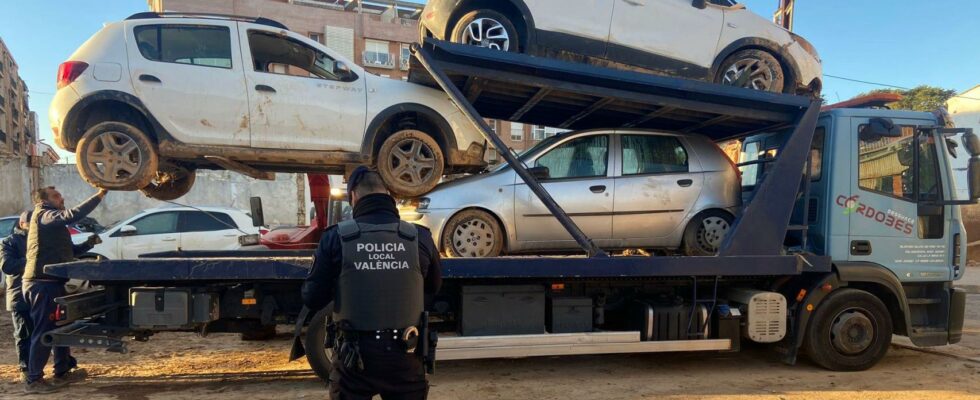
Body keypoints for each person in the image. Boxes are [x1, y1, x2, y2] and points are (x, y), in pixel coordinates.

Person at [303, 166, 442, 400]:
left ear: (353, 196)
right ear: (388, 193)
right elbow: (432, 289)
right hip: (405, 354)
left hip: (353, 359)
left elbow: (312, 298)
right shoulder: (419, 236)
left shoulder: (336, 237)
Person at [22, 187, 105, 394]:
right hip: (42, 283)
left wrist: (88, 243)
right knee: (44, 331)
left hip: (51, 282)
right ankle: (34, 380)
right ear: (43, 201)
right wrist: (100, 194)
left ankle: (62, 370)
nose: (62, 197)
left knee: (58, 327)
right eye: (57, 196)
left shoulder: (51, 223)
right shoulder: (45, 215)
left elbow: (71, 251)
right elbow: (72, 215)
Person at [1, 211, 34, 383]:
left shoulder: (39, 239)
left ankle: (61, 366)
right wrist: (30, 261)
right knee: (23, 334)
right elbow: (7, 266)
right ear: (22, 224)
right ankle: (25, 370)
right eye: (32, 222)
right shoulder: (9, 242)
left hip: (38, 295)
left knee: (41, 332)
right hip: (18, 296)